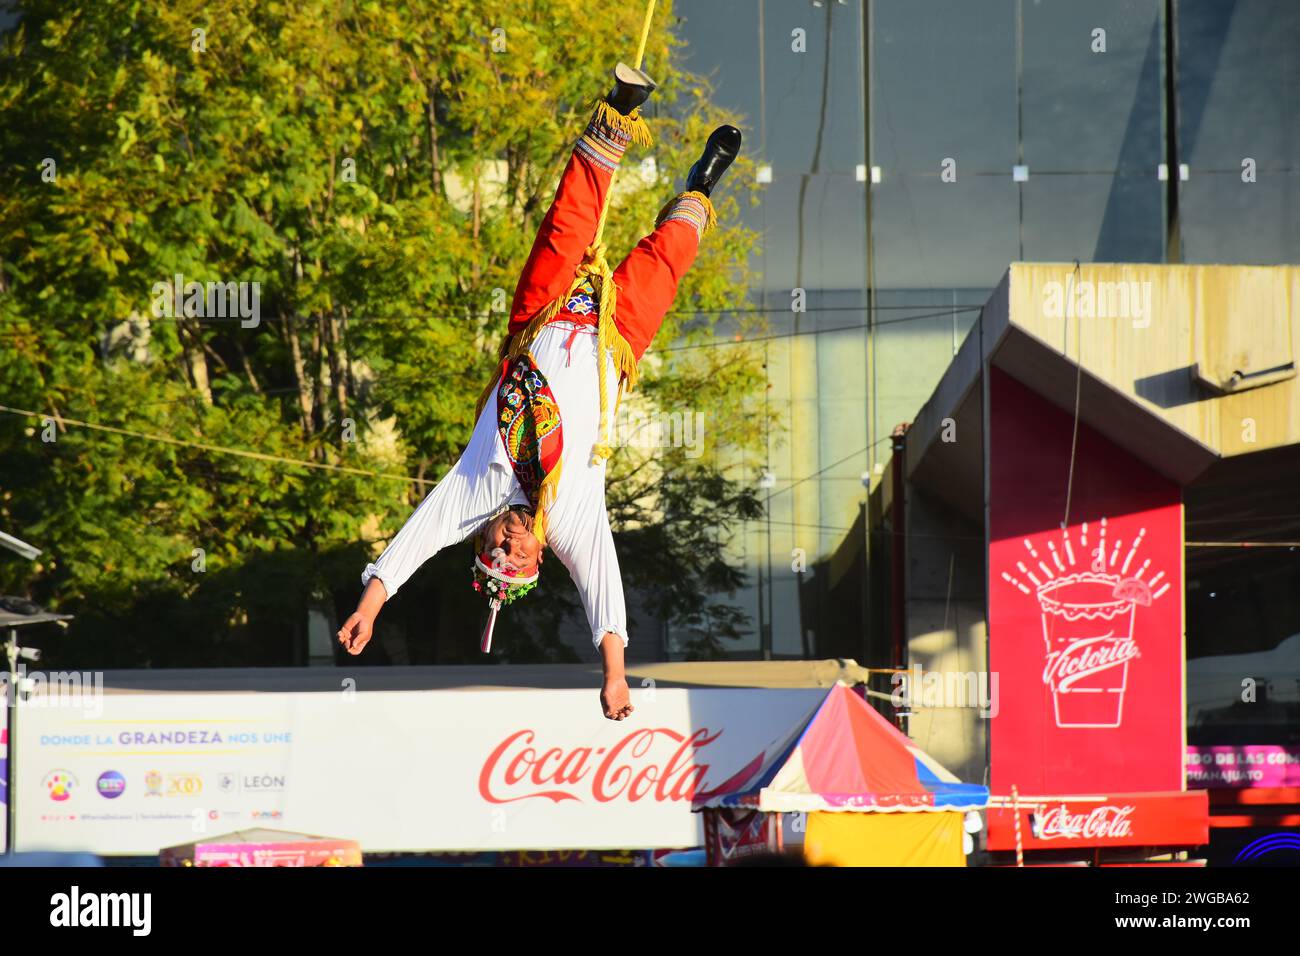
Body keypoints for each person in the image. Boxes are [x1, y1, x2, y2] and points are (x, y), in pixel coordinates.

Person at [337, 63, 742, 721]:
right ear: (537, 559)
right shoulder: (575, 522)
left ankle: (620, 107)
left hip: (543, 317)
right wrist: (615, 676)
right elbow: (605, 599)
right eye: (515, 558)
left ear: (483, 537)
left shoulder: (476, 490)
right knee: (669, 257)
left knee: (568, 219)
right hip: (616, 341)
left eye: (494, 549)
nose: (507, 545)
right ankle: (700, 187)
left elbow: (414, 538)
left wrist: (369, 605)